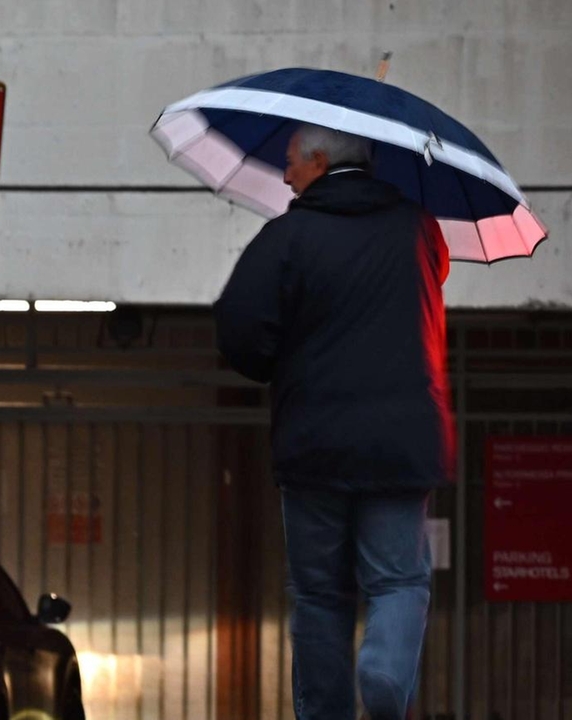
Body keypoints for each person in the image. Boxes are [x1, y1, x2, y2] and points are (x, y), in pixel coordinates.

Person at [213, 123, 454, 720]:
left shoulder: (288, 237)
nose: (286, 173)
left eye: (291, 161)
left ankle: (325, 712)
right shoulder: (419, 227)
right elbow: (436, 273)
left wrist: (275, 363)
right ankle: (383, 676)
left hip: (314, 442)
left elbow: (239, 326)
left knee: (320, 593)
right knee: (397, 580)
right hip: (402, 442)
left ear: (319, 161)